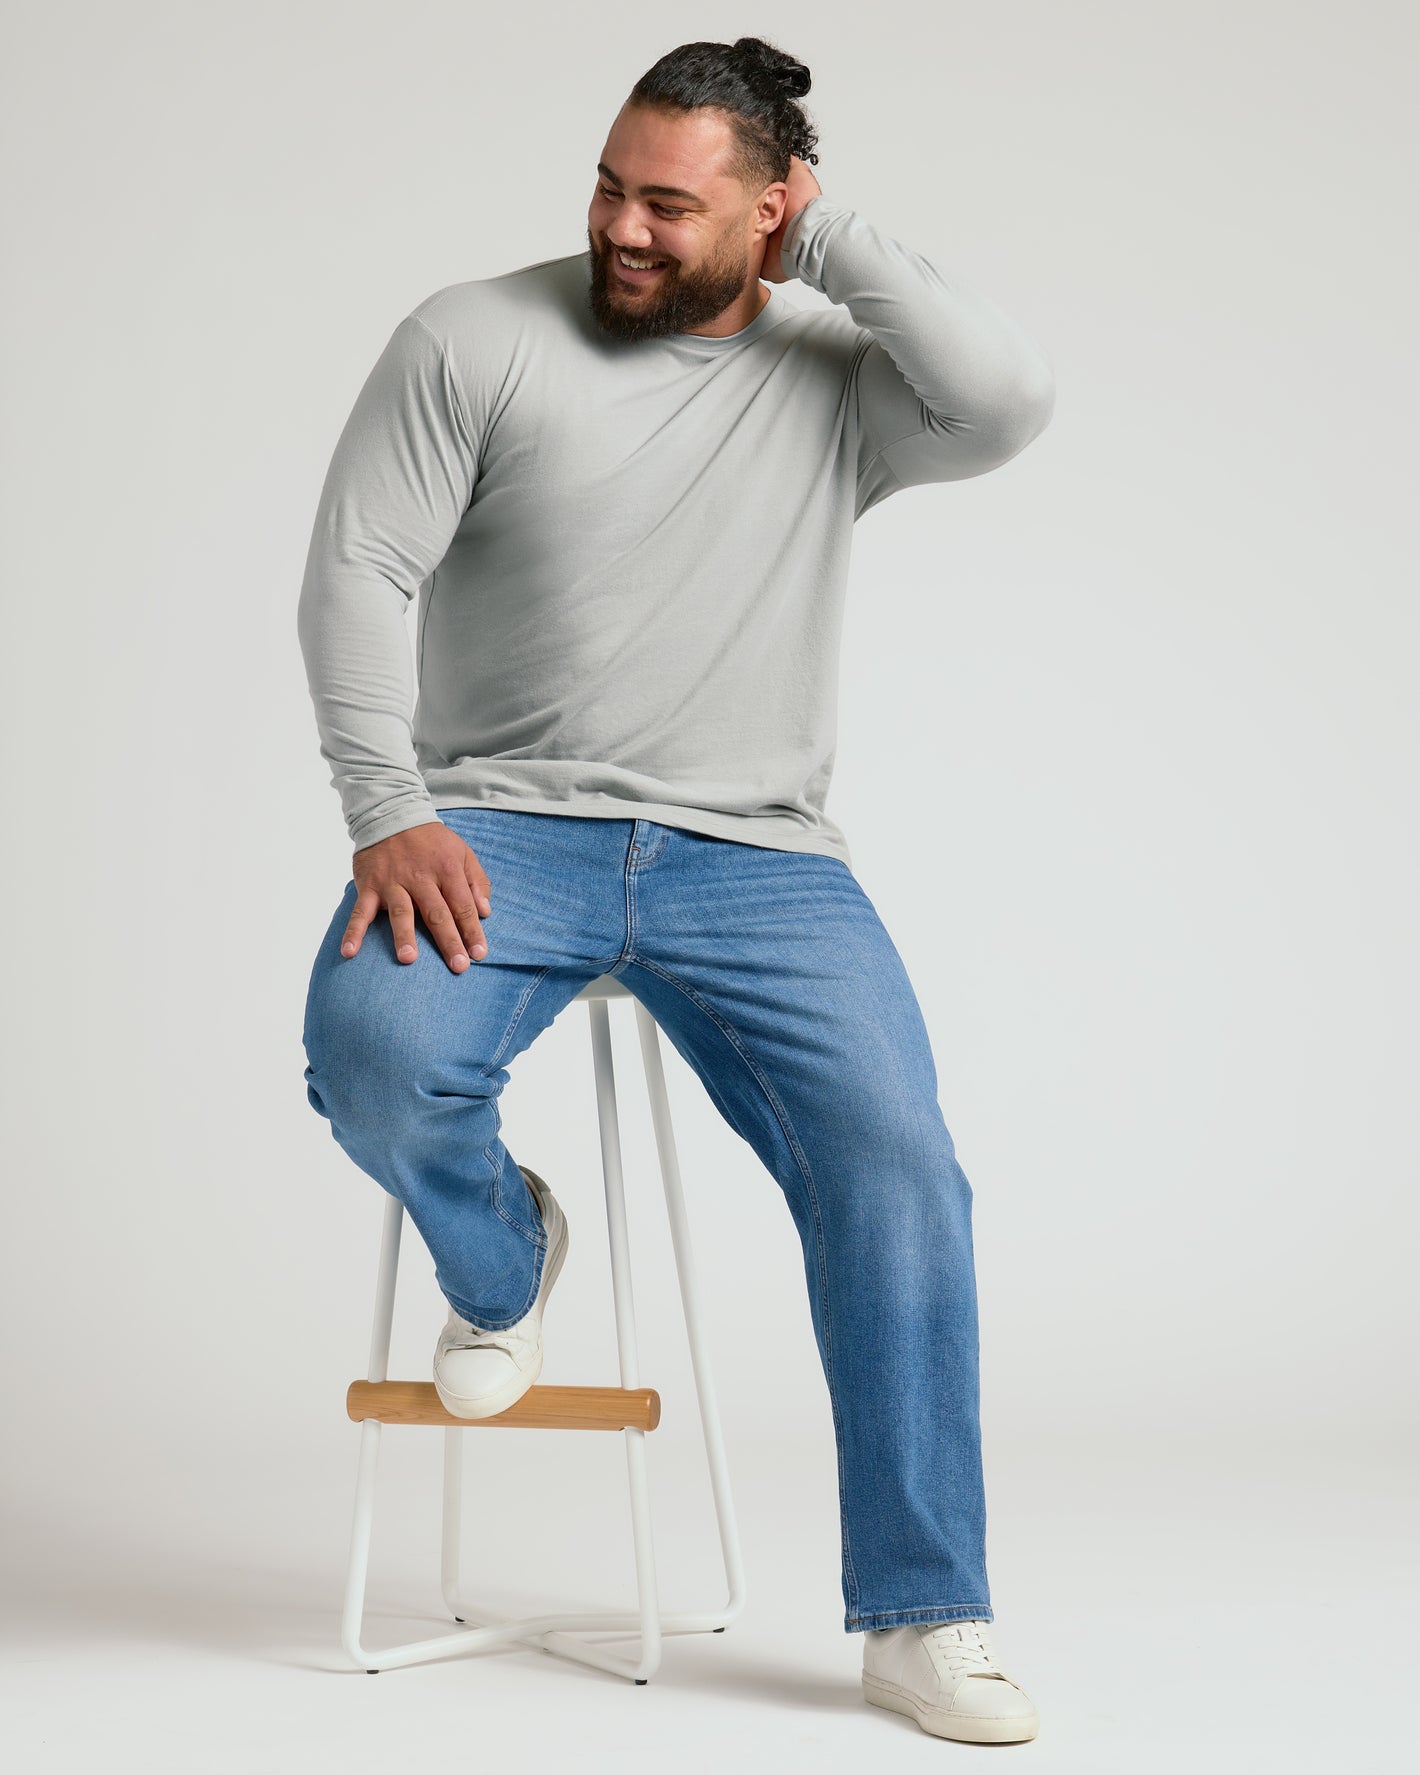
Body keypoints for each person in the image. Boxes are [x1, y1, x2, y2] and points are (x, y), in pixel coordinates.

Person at [297, 34, 1054, 1745]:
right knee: (370, 1048)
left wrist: (837, 241)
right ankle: (504, 1264)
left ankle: (926, 1612)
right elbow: (358, 570)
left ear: (773, 209)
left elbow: (1005, 400)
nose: (620, 229)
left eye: (671, 203)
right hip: (495, 820)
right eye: (606, 185)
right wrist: (387, 808)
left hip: (756, 858)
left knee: (900, 1173)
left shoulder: (836, 377)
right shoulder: (474, 335)